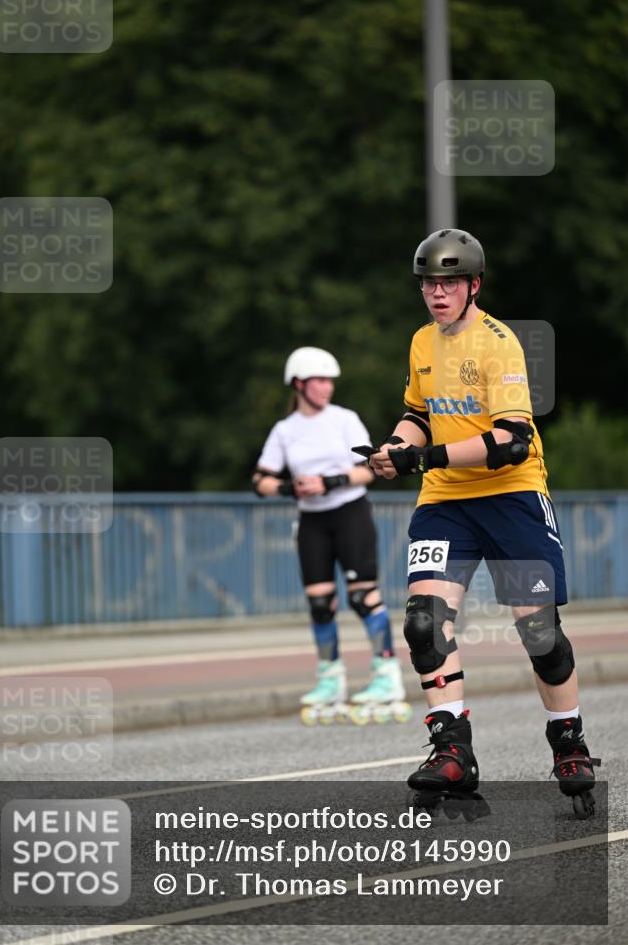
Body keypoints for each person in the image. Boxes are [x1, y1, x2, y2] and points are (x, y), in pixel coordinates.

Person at [369, 228, 600, 817]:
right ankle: (452, 748)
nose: (437, 293)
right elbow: (418, 413)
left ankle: (567, 739)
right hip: (446, 501)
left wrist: (427, 456)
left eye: (449, 283)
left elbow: (512, 441)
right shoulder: (422, 342)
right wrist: (397, 448)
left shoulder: (498, 344)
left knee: (538, 633)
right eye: (428, 283)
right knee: (424, 623)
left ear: (474, 285)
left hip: (510, 495)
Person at [252, 346, 409, 724]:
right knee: (321, 604)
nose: (326, 387)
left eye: (330, 381)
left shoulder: (344, 420)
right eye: (319, 381)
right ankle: (330, 679)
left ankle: (387, 676)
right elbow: (261, 480)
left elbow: (370, 470)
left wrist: (329, 481)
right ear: (299, 384)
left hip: (350, 514)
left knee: (363, 597)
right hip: (312, 522)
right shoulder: (285, 430)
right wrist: (291, 488)